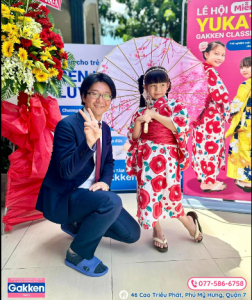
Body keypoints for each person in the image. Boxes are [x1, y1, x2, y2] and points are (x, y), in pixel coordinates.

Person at [36, 73, 140, 277]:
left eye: (107, 95)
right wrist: (89, 143)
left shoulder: (106, 129)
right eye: (95, 94)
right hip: (65, 197)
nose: (101, 100)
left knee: (132, 234)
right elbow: (66, 173)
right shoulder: (67, 125)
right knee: (111, 202)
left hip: (90, 196)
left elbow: (109, 161)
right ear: (84, 96)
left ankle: (77, 225)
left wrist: (104, 181)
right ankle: (78, 253)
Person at [126, 66, 203, 253]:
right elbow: (134, 138)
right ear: (145, 87)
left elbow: (179, 127)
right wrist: (139, 121)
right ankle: (157, 229)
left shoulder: (176, 106)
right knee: (149, 194)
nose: (158, 89)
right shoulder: (140, 111)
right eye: (153, 85)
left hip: (167, 157)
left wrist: (155, 115)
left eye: (162, 84)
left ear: (168, 85)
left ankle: (187, 220)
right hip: (147, 158)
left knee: (170, 192)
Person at [192, 41, 231, 193]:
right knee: (211, 148)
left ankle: (203, 176)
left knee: (201, 147)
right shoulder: (210, 72)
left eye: (222, 55)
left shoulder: (200, 70)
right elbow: (220, 95)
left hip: (200, 116)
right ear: (206, 54)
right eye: (216, 54)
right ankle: (208, 182)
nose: (220, 57)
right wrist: (229, 110)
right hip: (210, 117)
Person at [226, 57, 251, 193]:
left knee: (244, 151)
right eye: (242, 67)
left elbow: (237, 102)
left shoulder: (246, 84)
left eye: (247, 66)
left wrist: (227, 111)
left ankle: (246, 180)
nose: (244, 69)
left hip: (245, 125)